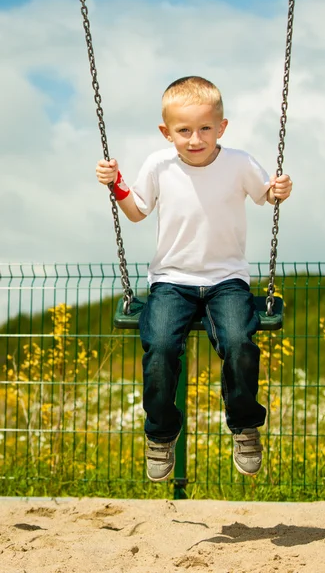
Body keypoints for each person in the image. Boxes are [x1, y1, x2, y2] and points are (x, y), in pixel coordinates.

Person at [96, 76, 293, 482]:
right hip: (171, 280)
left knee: (239, 343)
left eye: (205, 128)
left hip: (227, 280)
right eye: (184, 130)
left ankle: (244, 426)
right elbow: (136, 212)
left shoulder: (238, 162)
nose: (195, 138)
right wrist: (115, 183)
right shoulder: (158, 165)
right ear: (166, 132)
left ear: (222, 127)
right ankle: (161, 432)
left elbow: (265, 196)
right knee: (162, 347)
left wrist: (279, 190)